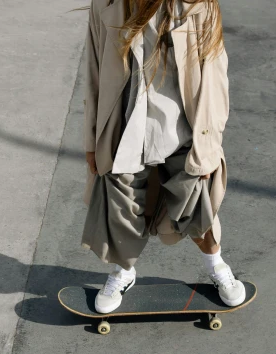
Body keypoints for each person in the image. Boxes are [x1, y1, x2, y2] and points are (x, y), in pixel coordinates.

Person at [81, 0, 246, 313]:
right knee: (122, 203)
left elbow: (215, 79)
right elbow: (93, 68)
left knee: (195, 201)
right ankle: (124, 271)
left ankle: (216, 265)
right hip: (125, 123)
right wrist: (91, 140)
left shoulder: (198, 5)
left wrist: (210, 144)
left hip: (182, 126)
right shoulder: (108, 4)